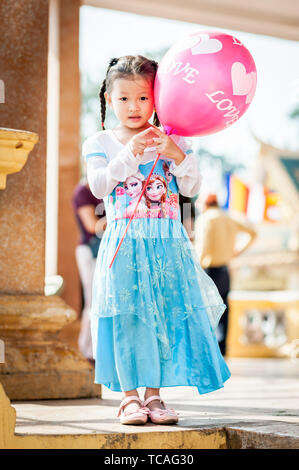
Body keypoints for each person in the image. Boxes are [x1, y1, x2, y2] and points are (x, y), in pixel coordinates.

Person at [83, 55, 230, 426]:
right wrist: (129, 155)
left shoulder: (175, 138)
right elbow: (99, 187)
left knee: (161, 315)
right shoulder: (99, 141)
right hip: (125, 242)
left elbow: (192, 187)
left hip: (167, 241)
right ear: (108, 98)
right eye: (123, 99)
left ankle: (154, 396)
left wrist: (176, 154)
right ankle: (128, 397)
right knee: (128, 317)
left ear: (158, 98)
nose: (134, 107)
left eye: (144, 98)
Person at [195, 193, 257, 356]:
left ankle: (207, 347)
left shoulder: (206, 218)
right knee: (224, 309)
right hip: (225, 270)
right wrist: (238, 251)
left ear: (206, 205)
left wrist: (197, 266)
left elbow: (204, 246)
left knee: (206, 309)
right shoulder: (228, 217)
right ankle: (222, 349)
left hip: (209, 270)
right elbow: (252, 232)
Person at [72, 180, 107, 364]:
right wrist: (120, 216)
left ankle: (96, 351)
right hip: (89, 251)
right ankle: (87, 351)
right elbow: (91, 225)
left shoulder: (106, 189)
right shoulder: (82, 192)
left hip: (104, 251)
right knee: (93, 301)